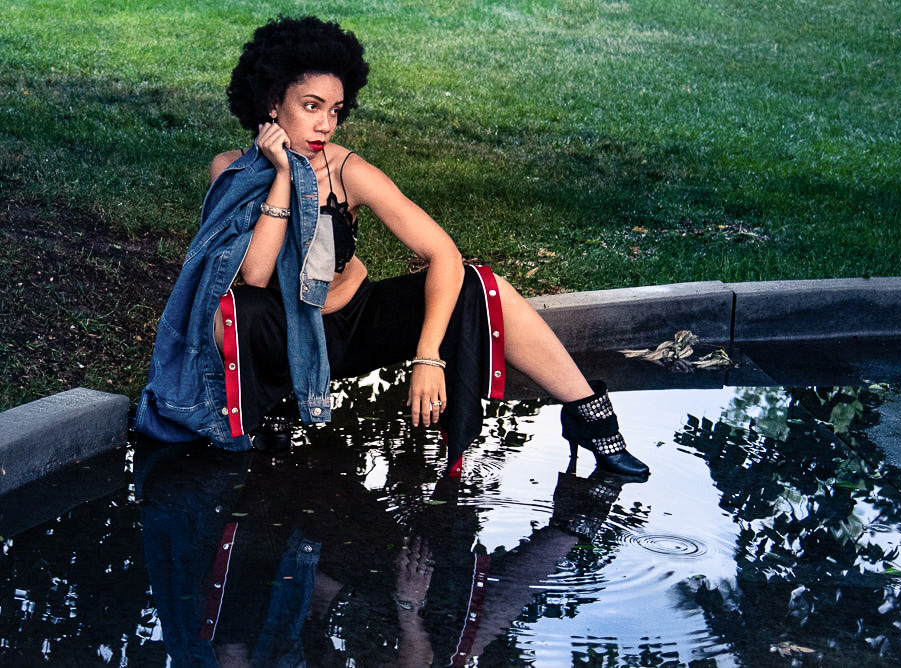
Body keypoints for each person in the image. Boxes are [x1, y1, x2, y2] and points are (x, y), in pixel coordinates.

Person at [132, 16, 648, 478]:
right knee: (236, 307)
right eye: (310, 107)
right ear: (272, 103)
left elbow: (443, 253)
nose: (325, 125)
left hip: (354, 325)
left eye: (334, 110)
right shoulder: (232, 170)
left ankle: (588, 414)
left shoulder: (349, 170)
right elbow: (257, 274)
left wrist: (428, 358)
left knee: (476, 283)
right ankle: (264, 415)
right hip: (286, 332)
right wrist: (286, 178)